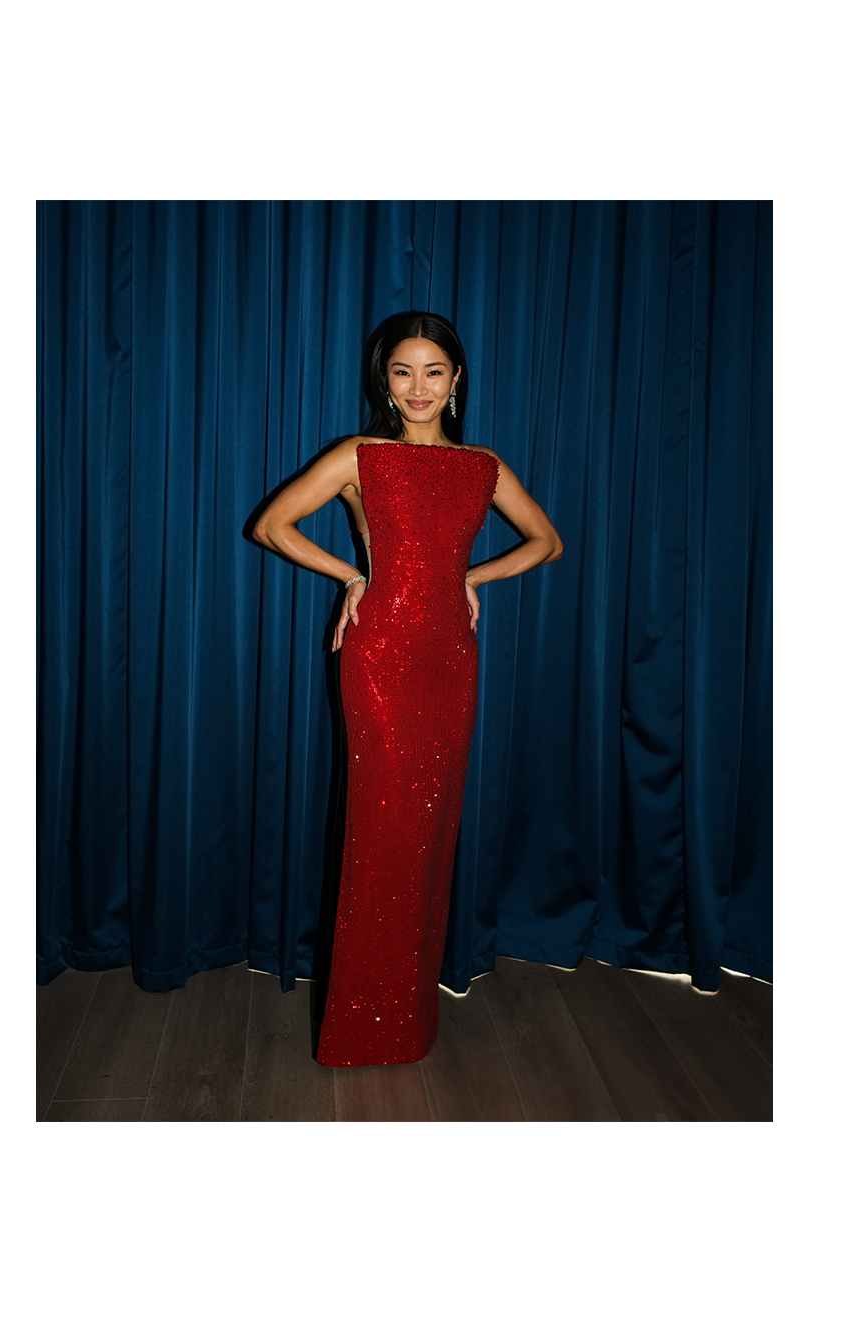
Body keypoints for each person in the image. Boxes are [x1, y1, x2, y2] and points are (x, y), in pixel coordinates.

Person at [253, 311, 563, 1068]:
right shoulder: (361, 456)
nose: (418, 387)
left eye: (433, 372)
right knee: (382, 830)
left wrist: (471, 578)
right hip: (381, 659)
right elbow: (272, 526)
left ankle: (406, 1017)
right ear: (384, 382)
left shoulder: (482, 466)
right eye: (402, 371)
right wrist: (352, 574)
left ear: (456, 381)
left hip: (449, 662)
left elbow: (547, 541)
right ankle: (361, 1025)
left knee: (429, 834)